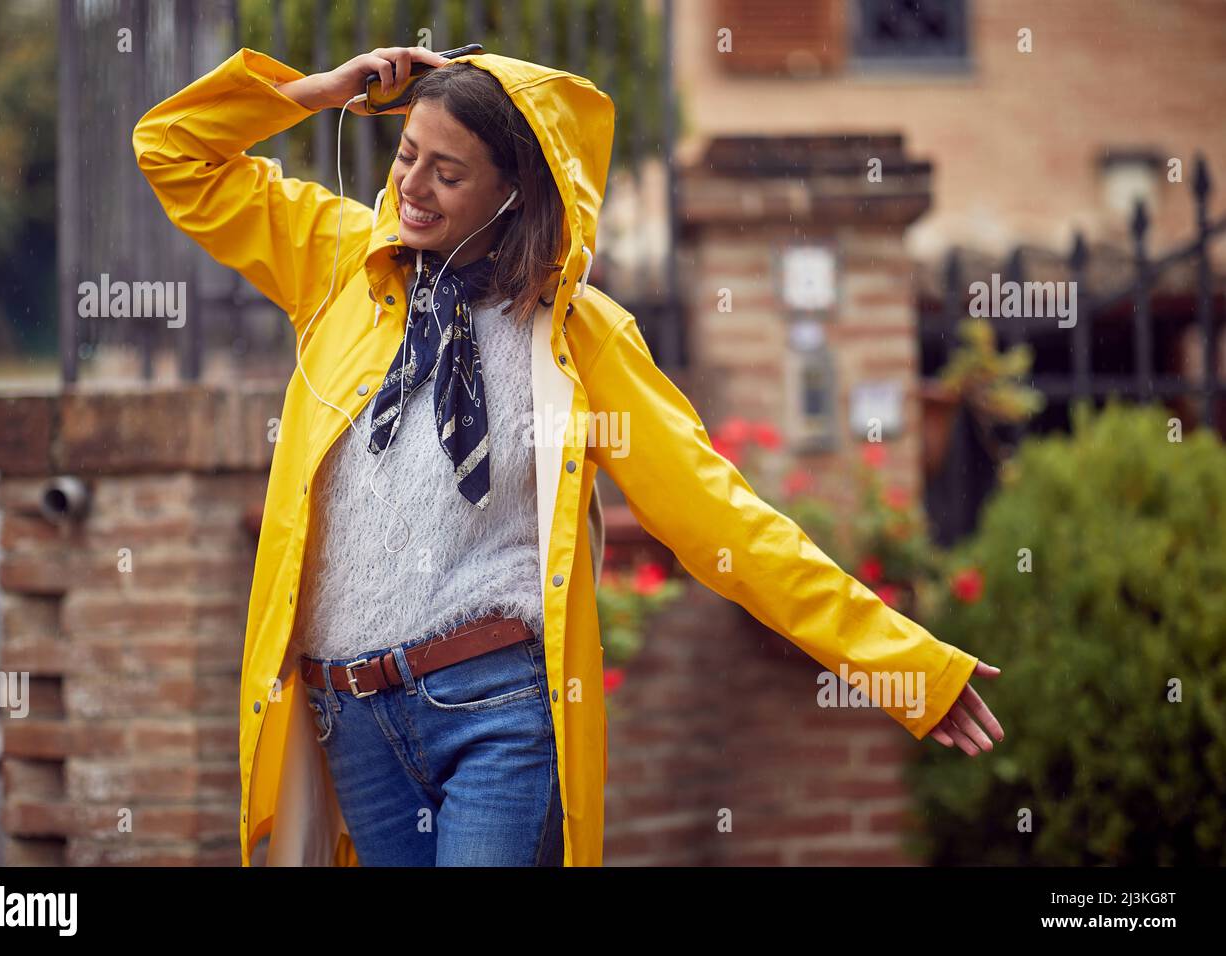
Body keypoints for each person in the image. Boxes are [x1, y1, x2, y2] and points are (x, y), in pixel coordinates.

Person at [133, 45, 1003, 868]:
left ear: (514, 191)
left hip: (493, 713)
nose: (412, 188)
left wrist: (905, 667)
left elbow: (720, 518)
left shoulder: (580, 336)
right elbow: (172, 152)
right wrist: (323, 91)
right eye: (406, 154)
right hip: (348, 716)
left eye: (449, 171)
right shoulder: (335, 262)